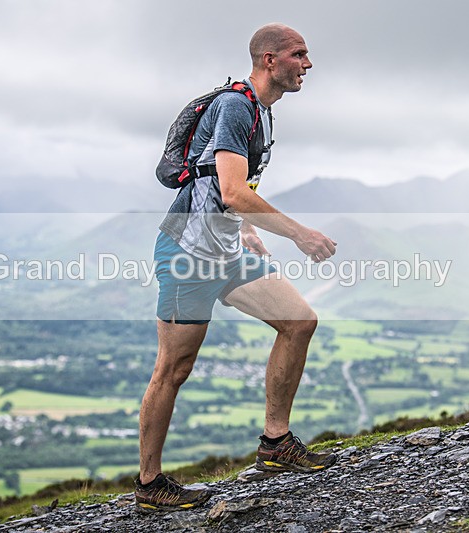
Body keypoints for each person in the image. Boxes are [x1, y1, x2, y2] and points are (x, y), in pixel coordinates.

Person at [135, 22, 338, 512]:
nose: (308, 64)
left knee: (299, 322)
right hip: (187, 255)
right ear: (270, 60)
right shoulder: (235, 106)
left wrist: (245, 229)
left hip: (226, 251)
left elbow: (221, 188)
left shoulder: (261, 113)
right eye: (299, 54)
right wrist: (299, 234)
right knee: (174, 368)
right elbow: (231, 190)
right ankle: (149, 485)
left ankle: (275, 444)